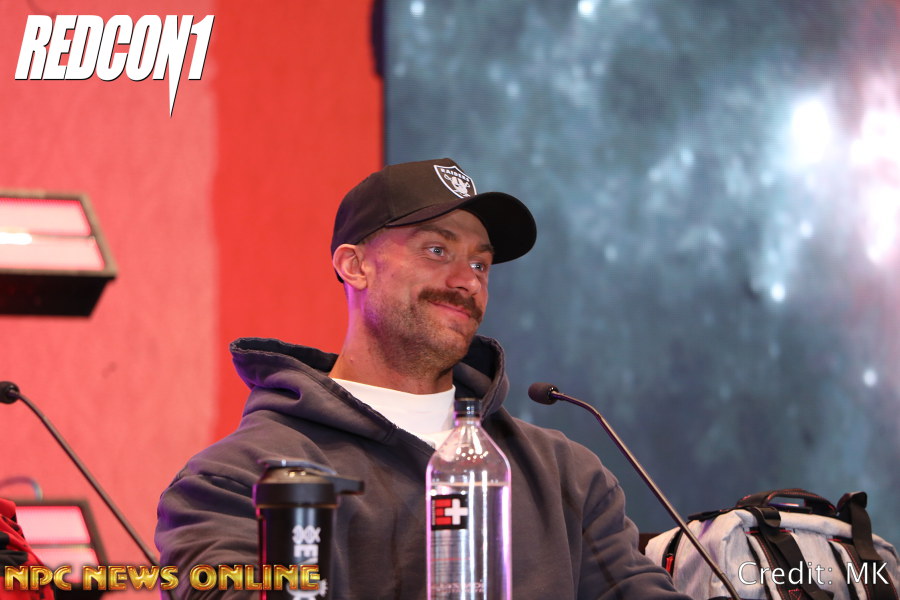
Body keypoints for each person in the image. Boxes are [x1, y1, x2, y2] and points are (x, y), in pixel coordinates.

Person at [155, 158, 690, 599]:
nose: (466, 282)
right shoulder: (238, 479)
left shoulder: (565, 474)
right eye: (437, 251)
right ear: (355, 266)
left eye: (480, 265)